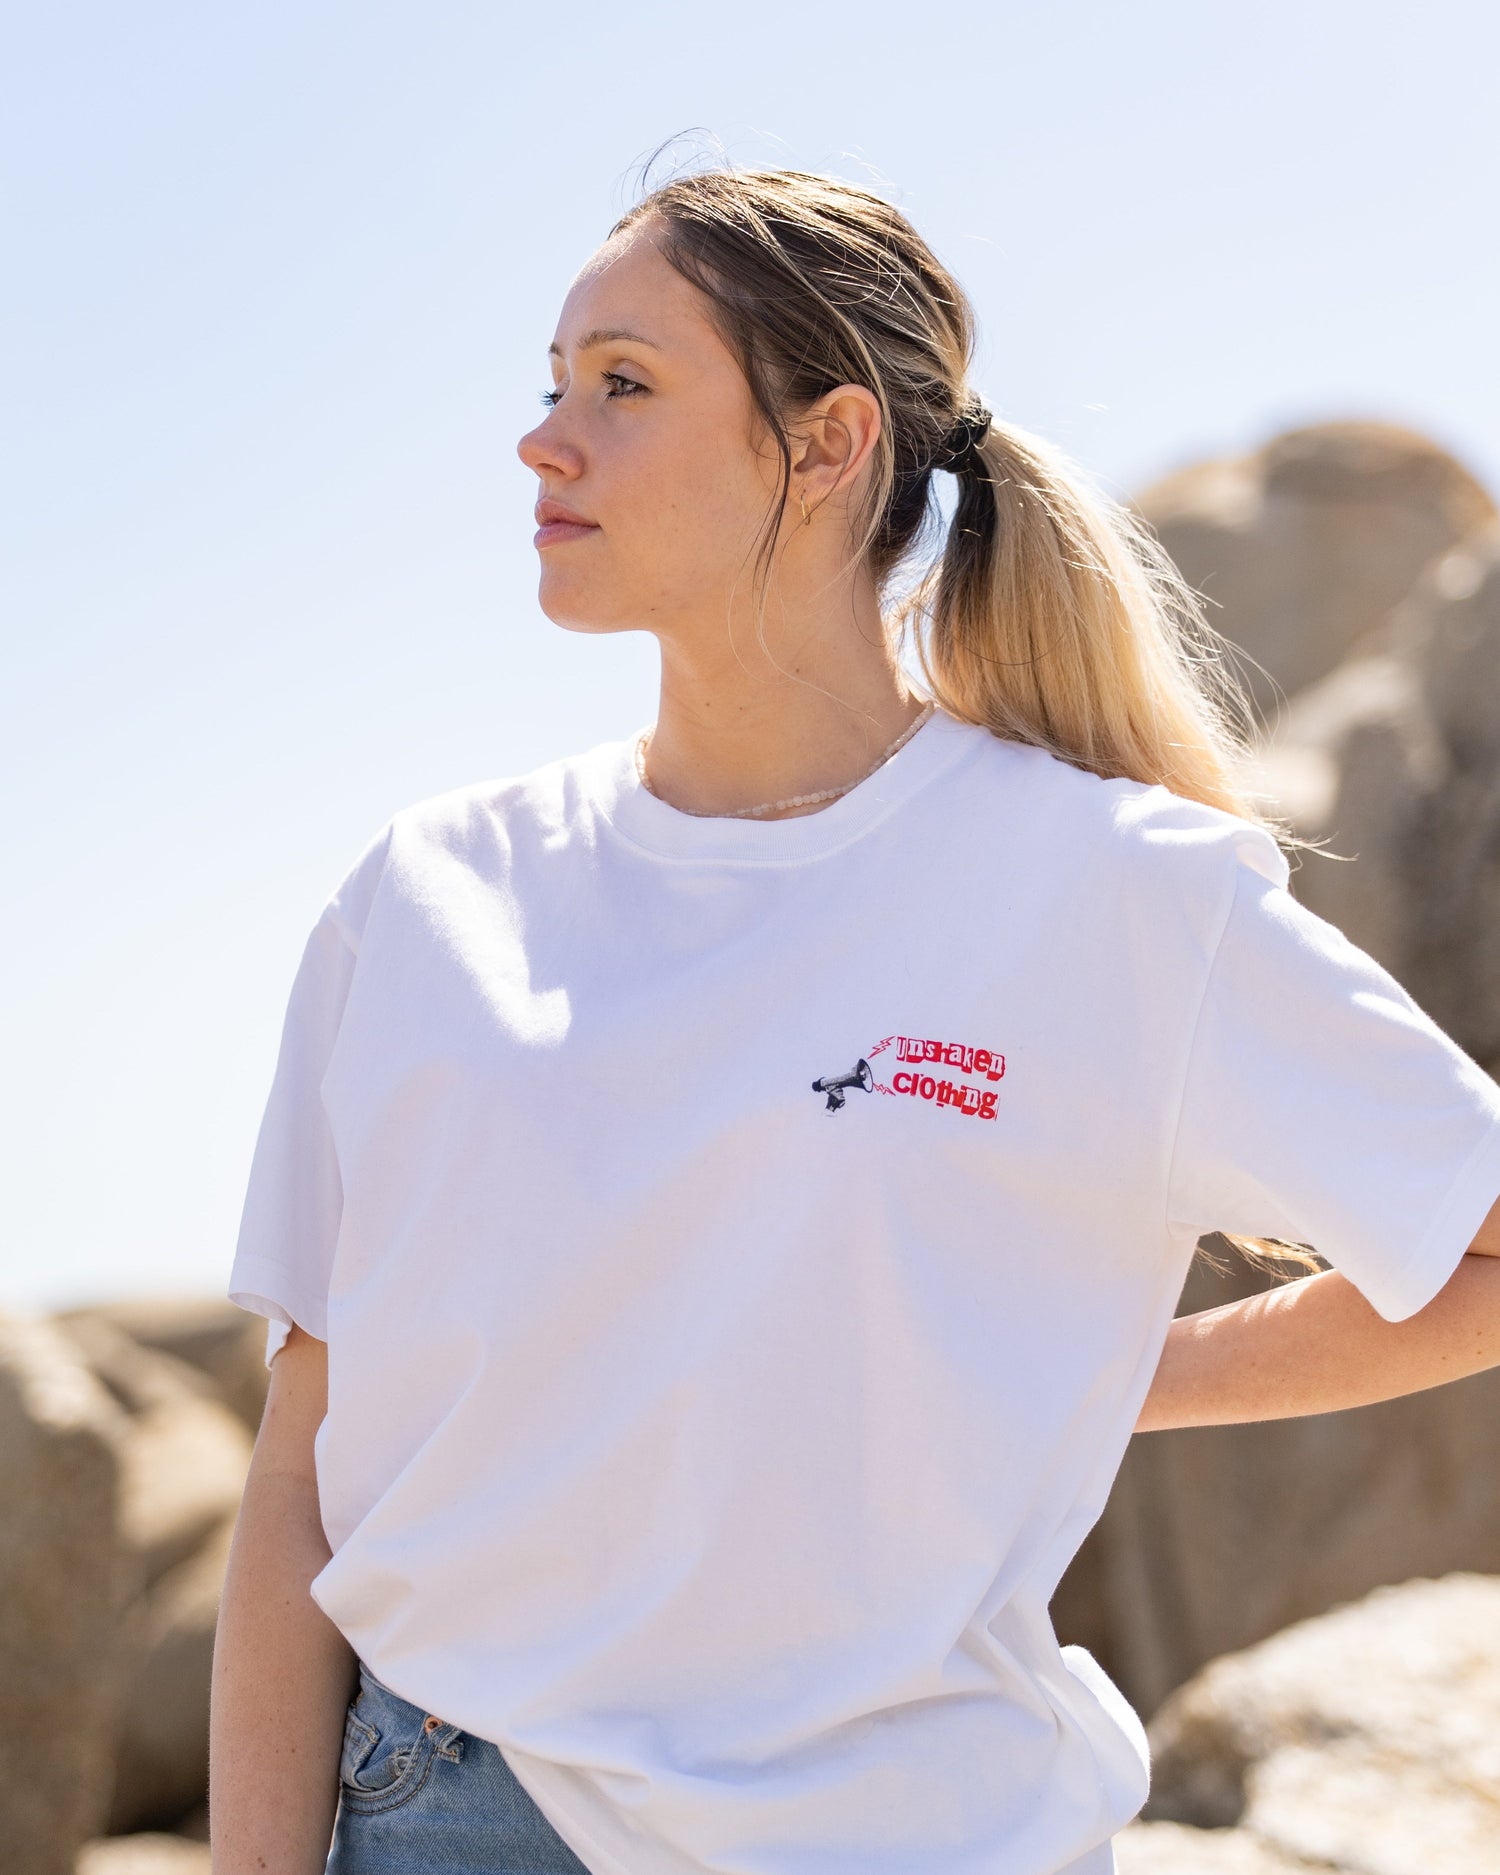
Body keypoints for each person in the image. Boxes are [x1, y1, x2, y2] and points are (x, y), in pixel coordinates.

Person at [208, 163, 1500, 1875]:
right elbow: (303, 1474)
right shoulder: (423, 897)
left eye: (625, 384)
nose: (545, 439)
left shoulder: (1113, 888)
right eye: (552, 382)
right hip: (444, 1819)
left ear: (823, 447)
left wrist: (1090, 1380)